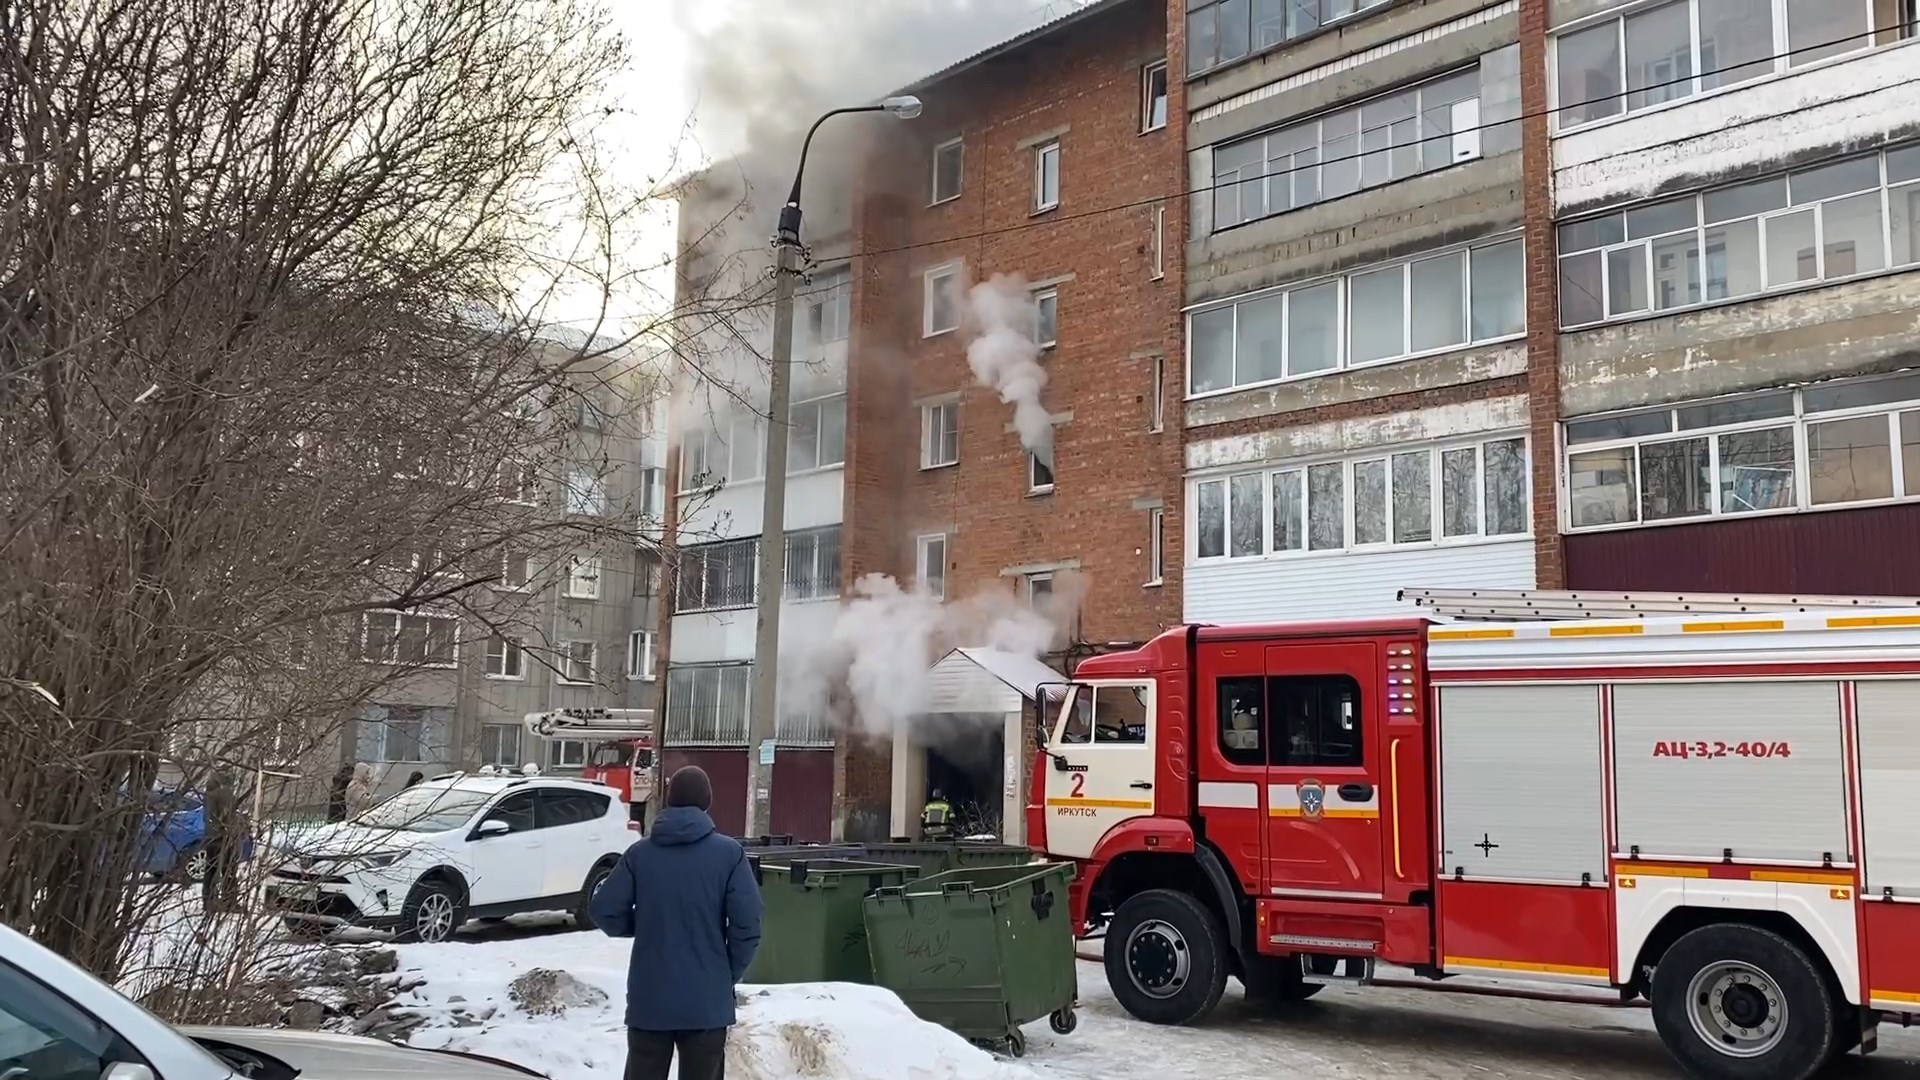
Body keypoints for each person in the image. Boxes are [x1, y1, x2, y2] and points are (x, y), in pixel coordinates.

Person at [590, 766, 761, 1080]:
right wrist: (725, 975)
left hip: (650, 999)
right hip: (706, 1003)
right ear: (707, 802)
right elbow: (747, 925)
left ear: (669, 800)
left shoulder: (640, 854)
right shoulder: (729, 855)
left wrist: (640, 923)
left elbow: (604, 910)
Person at [201, 770, 240, 913]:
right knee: (227, 869)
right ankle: (228, 901)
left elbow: (211, 817)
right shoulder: (223, 794)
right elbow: (227, 815)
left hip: (213, 837)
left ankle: (209, 900)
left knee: (212, 870)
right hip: (223, 837)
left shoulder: (209, 793)